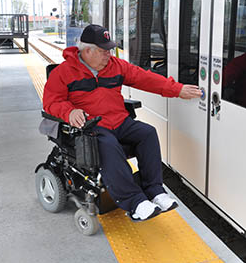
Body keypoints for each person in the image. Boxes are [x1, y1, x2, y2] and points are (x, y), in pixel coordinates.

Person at [43, 24, 202, 222]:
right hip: (91, 127)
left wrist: (177, 90)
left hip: (119, 121)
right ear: (87, 50)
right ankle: (134, 202)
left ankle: (155, 191)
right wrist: (69, 111)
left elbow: (145, 78)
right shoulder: (63, 72)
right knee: (107, 144)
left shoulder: (116, 66)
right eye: (103, 51)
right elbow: (51, 103)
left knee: (147, 133)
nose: (108, 54)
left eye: (109, 50)